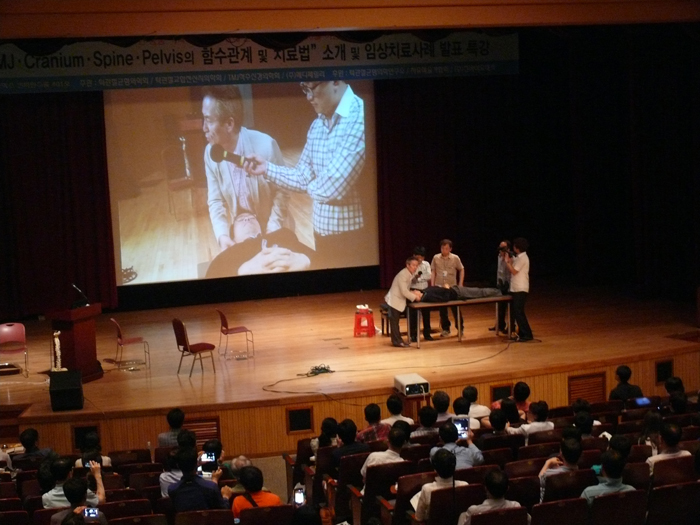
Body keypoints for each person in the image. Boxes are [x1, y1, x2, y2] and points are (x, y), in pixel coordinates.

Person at [244, 80, 366, 267]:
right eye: (304, 89)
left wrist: (309, 184)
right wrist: (266, 168)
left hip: (352, 238)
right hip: (321, 234)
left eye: (312, 88)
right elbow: (302, 176)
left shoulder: (360, 115)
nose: (308, 97)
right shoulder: (317, 125)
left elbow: (333, 186)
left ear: (334, 81)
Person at [202, 85, 288, 251]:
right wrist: (222, 235)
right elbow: (215, 200)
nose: (203, 128)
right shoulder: (210, 152)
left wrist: (273, 230)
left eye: (209, 120)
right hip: (242, 236)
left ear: (229, 124)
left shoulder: (266, 145)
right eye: (203, 119)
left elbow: (283, 192)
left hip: (275, 227)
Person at [205, 212, 312, 278]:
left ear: (261, 228)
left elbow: (318, 259)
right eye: (240, 219)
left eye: (252, 218)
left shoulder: (283, 234)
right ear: (233, 238)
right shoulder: (226, 256)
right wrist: (241, 272)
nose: (247, 219)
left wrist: (305, 260)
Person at [167, 447, 229, 512]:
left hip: (184, 519)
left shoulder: (172, 490)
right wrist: (225, 497)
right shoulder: (211, 487)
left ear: (178, 466)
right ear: (197, 464)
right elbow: (223, 510)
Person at [413, 448, 468, 521]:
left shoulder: (427, 489)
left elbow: (419, 517)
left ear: (435, 469)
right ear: (454, 467)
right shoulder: (464, 485)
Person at [457, 469, 524, 525]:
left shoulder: (474, 511)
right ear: (507, 489)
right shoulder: (516, 506)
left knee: (462, 515)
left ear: (486, 488)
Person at [384, 256, 423, 347]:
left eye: (416, 265)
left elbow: (406, 289)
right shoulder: (403, 274)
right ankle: (397, 341)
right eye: (413, 265)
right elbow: (404, 291)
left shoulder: (409, 273)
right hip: (394, 299)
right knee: (394, 322)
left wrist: (413, 292)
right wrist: (415, 297)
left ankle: (398, 340)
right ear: (407, 265)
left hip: (399, 299)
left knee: (395, 322)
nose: (415, 267)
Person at [430, 239, 464, 337]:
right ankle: (446, 329)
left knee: (456, 308)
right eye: (442, 248)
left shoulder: (455, 258)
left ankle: (460, 328)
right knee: (442, 310)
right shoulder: (436, 257)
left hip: (452, 287)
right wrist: (432, 285)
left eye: (446, 248)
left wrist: (460, 283)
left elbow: (461, 269)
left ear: (450, 249)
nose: (444, 250)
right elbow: (433, 271)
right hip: (440, 287)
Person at [503, 237, 532, 342]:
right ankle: (521, 333)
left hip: (520, 288)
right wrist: (508, 258)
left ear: (517, 247)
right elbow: (513, 263)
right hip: (515, 288)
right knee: (515, 312)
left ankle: (527, 334)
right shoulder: (519, 257)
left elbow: (514, 271)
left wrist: (507, 263)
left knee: (519, 312)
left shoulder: (523, 258)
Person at [409, 246, 434, 342]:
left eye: (421, 258)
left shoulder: (426, 264)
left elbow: (429, 276)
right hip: (414, 290)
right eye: (418, 257)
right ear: (414, 256)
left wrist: (419, 278)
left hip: (424, 290)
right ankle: (413, 335)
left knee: (426, 312)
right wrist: (417, 277)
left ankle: (427, 333)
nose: (420, 260)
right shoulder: (411, 264)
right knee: (414, 314)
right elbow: (410, 278)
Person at [489, 240, 512, 334]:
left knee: (509, 307)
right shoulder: (499, 256)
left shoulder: (511, 257)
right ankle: (500, 325)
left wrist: (506, 258)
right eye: (500, 247)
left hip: (509, 285)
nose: (501, 249)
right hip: (500, 284)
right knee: (500, 306)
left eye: (503, 248)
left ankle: (511, 327)